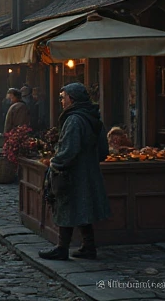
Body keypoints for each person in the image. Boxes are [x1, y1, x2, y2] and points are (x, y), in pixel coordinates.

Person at [39, 83, 111, 261]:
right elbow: (103, 150)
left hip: (73, 173)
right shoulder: (93, 117)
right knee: (82, 207)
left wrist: (55, 163)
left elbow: (68, 150)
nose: (62, 101)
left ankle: (62, 248)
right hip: (89, 172)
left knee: (68, 207)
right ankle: (88, 246)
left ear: (72, 98)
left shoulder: (74, 120)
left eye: (63, 97)